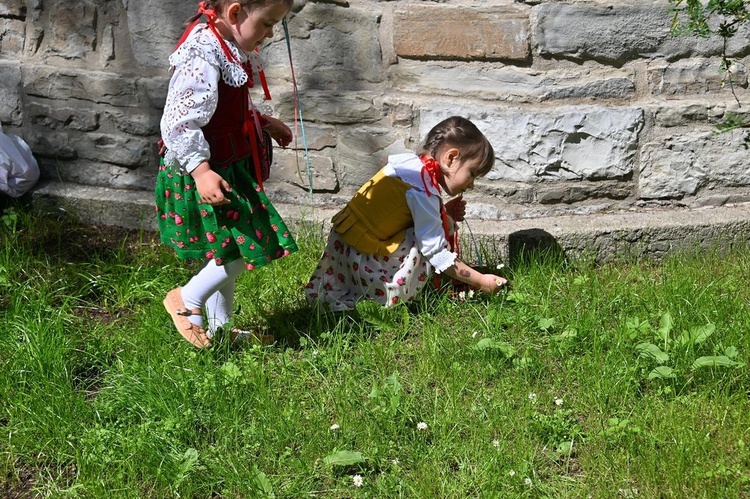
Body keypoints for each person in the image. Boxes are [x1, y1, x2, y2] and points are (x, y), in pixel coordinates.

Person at [155, 0, 297, 348]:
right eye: (267, 23)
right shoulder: (201, 54)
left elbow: (225, 106)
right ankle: (187, 299)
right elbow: (180, 121)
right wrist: (201, 171)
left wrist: (263, 122)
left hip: (226, 165)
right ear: (235, 13)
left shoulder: (227, 45)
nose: (271, 32)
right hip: (202, 170)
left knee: (224, 247)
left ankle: (220, 330)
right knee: (245, 244)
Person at [306, 116, 507, 312]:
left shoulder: (409, 167)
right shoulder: (422, 190)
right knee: (427, 243)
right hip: (364, 265)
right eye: (472, 174)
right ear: (451, 158)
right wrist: (481, 280)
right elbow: (436, 253)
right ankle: (385, 292)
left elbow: (393, 215)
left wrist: (443, 214)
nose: (471, 184)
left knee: (430, 230)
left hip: (343, 254)